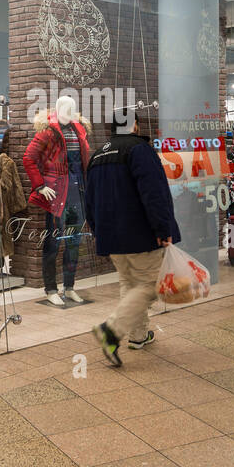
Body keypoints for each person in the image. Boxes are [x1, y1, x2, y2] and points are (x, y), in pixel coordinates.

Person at [86, 109, 180, 367]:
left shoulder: (98, 155)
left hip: (112, 236)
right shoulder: (139, 150)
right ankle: (111, 331)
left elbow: (89, 199)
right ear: (135, 125)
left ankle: (138, 336)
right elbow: (154, 193)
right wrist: (163, 228)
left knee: (130, 283)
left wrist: (98, 231)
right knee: (150, 285)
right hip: (140, 234)